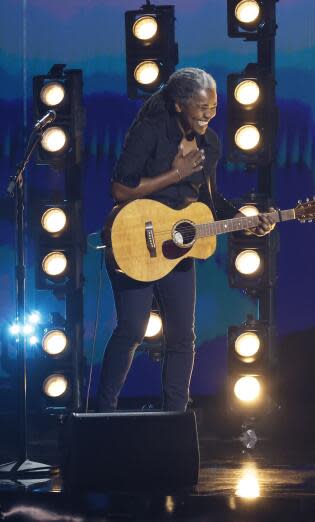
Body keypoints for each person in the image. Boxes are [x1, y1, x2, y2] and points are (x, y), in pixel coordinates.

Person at [98, 67, 274, 412]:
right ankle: (103, 414)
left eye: (213, 108)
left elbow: (208, 201)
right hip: (134, 237)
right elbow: (120, 189)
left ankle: (174, 417)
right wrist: (176, 173)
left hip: (177, 247)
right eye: (201, 108)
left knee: (182, 337)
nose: (209, 115)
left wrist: (242, 219)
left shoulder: (210, 144)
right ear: (179, 105)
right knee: (133, 329)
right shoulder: (150, 131)